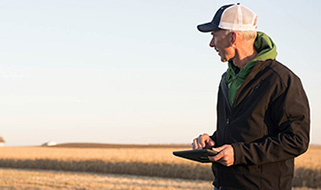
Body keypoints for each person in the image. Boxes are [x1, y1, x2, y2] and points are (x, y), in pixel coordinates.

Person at [192, 3, 310, 190]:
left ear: (232, 37)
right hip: (224, 185)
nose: (211, 44)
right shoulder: (227, 79)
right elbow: (242, 129)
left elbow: (296, 140)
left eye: (214, 35)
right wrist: (213, 140)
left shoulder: (280, 79)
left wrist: (239, 154)